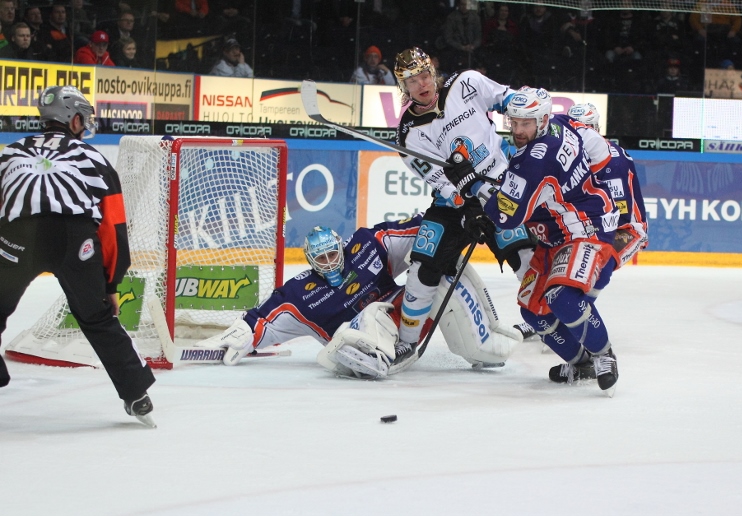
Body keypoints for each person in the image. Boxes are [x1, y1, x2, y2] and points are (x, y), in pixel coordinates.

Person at [443, 87, 621, 396]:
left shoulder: (535, 161)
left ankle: (604, 355)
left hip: (583, 230)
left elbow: (506, 217)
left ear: (542, 120)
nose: (518, 130)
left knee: (561, 298)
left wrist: (469, 184)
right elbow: (598, 149)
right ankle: (581, 364)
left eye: (526, 123)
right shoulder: (563, 123)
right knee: (533, 311)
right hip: (555, 235)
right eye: (514, 122)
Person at [0, 86, 156, 425]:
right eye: (83, 119)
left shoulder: (9, 152)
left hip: (17, 237)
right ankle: (136, 395)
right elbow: (113, 227)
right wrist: (110, 284)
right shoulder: (94, 158)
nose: (85, 125)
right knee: (97, 317)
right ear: (73, 119)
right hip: (73, 240)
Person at [197, 216, 520, 379]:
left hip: (407, 323)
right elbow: (263, 319)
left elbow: (421, 232)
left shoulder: (368, 244)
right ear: (311, 262)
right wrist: (243, 336)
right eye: (321, 260)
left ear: (341, 245)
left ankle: (487, 344)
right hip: (362, 347)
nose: (330, 262)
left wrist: (458, 224)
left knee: (442, 271)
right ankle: (370, 356)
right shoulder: (299, 295)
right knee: (368, 318)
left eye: (333, 254)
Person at [392, 46, 534, 362]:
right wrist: (468, 204)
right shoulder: (408, 134)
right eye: (412, 80)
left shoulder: (467, 83)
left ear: (434, 71)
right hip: (454, 202)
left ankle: (545, 317)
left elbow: (509, 101)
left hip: (502, 189)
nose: (422, 84)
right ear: (403, 86)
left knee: (526, 256)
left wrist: (530, 116)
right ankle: (407, 340)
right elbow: (440, 181)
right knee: (424, 265)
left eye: (425, 74)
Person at [567, 102, 648, 267]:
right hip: (587, 225)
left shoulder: (613, 161)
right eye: (573, 130)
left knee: (589, 268)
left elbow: (620, 213)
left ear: (595, 129)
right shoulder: (566, 156)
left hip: (624, 229)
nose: (579, 135)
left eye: (585, 129)